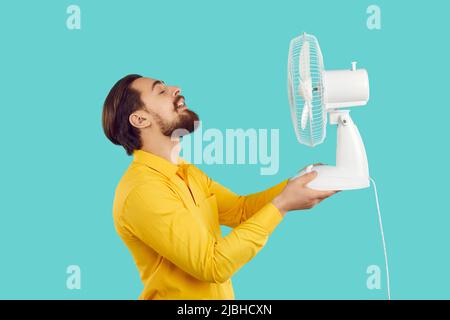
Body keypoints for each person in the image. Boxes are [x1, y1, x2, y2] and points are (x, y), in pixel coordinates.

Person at [102, 74, 337, 299]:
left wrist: (299, 182)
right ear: (141, 119)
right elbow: (212, 265)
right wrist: (282, 204)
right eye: (161, 91)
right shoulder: (142, 191)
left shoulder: (187, 173)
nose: (176, 89)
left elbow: (240, 210)